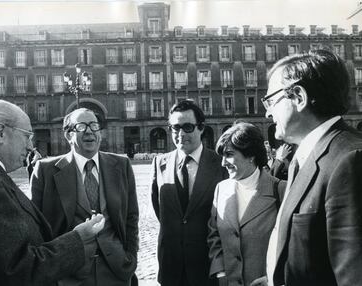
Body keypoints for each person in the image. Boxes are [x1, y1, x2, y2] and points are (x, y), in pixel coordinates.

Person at [0, 99, 105, 286]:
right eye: (27, 136)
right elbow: (18, 271)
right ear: (0, 132)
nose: (31, 146)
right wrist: (78, 239)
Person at [263, 49, 362, 286]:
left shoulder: (351, 160)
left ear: (298, 96)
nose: (267, 112)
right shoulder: (308, 156)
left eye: (271, 101)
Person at [30, 108, 139, 286]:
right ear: (68, 135)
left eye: (94, 125)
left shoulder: (121, 165)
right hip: (68, 274)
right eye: (81, 126)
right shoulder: (45, 170)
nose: (89, 131)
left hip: (116, 271)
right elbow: (37, 225)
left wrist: (130, 258)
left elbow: (131, 217)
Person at [151, 99, 228, 286]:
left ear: (201, 128)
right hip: (171, 267)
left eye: (187, 127)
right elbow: (159, 209)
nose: (180, 134)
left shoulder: (221, 165)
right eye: (175, 128)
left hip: (207, 267)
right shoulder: (160, 163)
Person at [208, 122, 285, 286]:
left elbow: (291, 245)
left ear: (251, 155)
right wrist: (221, 272)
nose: (223, 163)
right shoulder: (221, 189)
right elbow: (214, 236)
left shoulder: (280, 190)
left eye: (228, 154)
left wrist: (274, 278)